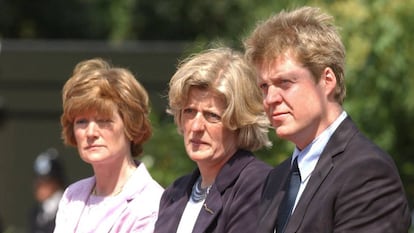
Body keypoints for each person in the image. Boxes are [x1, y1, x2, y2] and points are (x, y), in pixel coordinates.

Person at [243, 6, 411, 233]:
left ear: (327, 80)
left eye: (285, 83)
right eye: (264, 86)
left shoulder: (366, 171)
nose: (270, 99)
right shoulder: (276, 179)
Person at [154, 47, 273, 233]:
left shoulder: (257, 184)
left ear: (240, 121)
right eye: (189, 112)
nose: (196, 127)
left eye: (212, 116)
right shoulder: (174, 193)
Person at [54, 58, 164, 233]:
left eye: (103, 121)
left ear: (130, 125)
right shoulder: (72, 196)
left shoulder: (150, 204)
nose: (90, 133)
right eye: (81, 121)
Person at [29, 148, 66, 233]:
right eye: (37, 180)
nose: (38, 185)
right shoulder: (35, 213)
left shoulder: (70, 208)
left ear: (57, 181)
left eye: (45, 180)